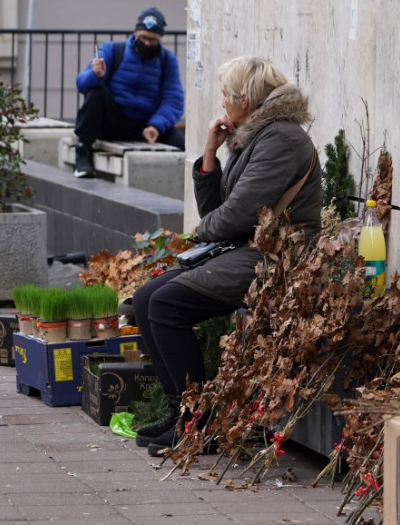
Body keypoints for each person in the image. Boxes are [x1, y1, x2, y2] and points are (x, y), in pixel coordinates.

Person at [131, 56, 322, 456]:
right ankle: (180, 412)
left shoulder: (281, 139)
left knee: (166, 305)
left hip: (277, 258)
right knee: (148, 298)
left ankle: (194, 422)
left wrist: (200, 233)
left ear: (247, 99)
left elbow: (235, 216)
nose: (222, 101)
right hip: (248, 248)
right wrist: (208, 155)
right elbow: (220, 209)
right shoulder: (257, 136)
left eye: (226, 95)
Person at [72, 7, 184, 178]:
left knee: (183, 144)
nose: (147, 43)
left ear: (160, 38)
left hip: (146, 126)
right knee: (96, 92)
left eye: (152, 40)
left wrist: (156, 125)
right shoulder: (112, 50)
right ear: (135, 32)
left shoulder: (167, 60)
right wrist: (95, 75)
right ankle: (83, 153)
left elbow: (174, 100)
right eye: (143, 37)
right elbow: (81, 84)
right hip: (111, 122)